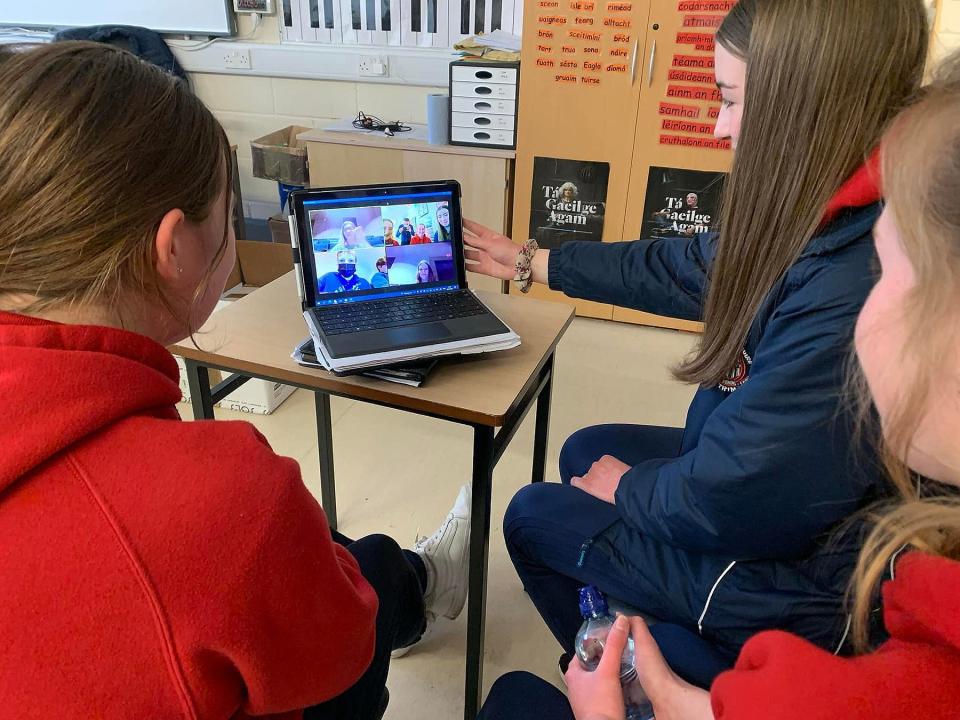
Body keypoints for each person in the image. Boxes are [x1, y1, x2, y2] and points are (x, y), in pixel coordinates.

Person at [478, 48, 960, 720]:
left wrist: (633, 493)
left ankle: (636, 665)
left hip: (782, 582)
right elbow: (686, 267)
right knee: (587, 449)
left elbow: (734, 498)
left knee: (533, 519)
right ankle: (643, 648)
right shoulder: (816, 229)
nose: (717, 127)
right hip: (797, 548)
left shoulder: (838, 286)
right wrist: (536, 260)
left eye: (731, 98)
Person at [0, 42, 473, 720]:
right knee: (357, 572)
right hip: (301, 625)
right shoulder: (226, 497)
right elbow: (339, 650)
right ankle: (425, 580)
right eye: (226, 213)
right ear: (173, 249)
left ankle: (416, 576)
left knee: (334, 551)